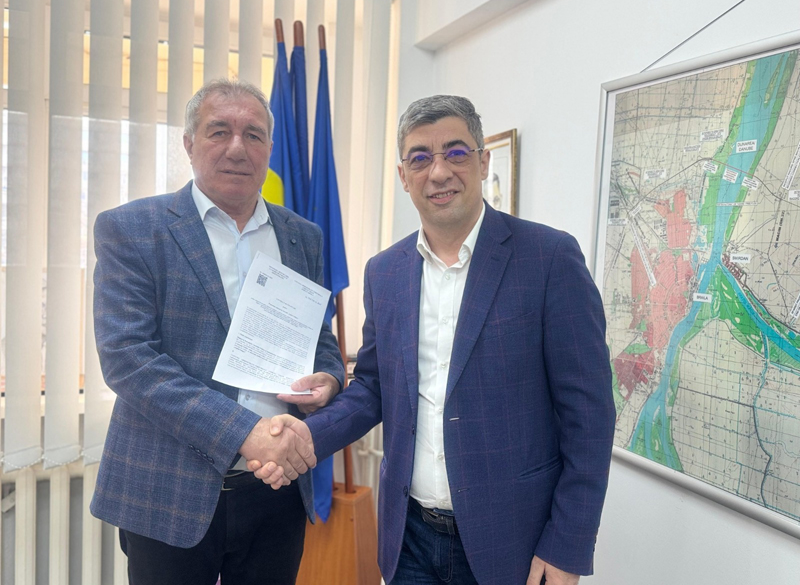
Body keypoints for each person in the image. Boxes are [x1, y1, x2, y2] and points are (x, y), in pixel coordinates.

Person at [259, 95, 616, 584]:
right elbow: (373, 387)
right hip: (408, 538)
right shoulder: (384, 272)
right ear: (404, 176)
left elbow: (589, 417)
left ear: (483, 161)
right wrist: (307, 436)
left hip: (512, 540)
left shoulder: (548, 258)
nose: (440, 172)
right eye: (420, 158)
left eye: (456, 153)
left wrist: (567, 547)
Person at [90, 78, 344, 585]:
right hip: (167, 492)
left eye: (253, 134)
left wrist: (329, 378)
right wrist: (245, 433)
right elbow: (128, 358)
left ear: (269, 148)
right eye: (219, 131)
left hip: (275, 491)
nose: (237, 148)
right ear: (189, 144)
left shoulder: (304, 237)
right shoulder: (132, 228)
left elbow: (319, 337)